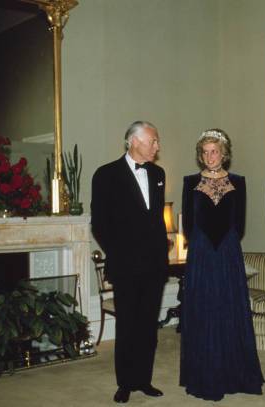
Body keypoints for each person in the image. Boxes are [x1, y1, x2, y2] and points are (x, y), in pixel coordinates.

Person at [179, 128, 264, 401]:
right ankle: (204, 375)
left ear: (224, 153)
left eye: (214, 151)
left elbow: (239, 225)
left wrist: (224, 246)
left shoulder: (238, 181)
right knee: (204, 309)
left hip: (228, 252)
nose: (209, 156)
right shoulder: (189, 181)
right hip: (201, 254)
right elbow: (188, 226)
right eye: (205, 152)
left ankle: (233, 373)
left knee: (228, 308)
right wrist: (202, 246)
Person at [90, 121, 168, 404]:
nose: (157, 146)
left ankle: (143, 380)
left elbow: (156, 219)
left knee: (149, 325)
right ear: (134, 141)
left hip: (154, 265)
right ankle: (125, 383)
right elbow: (99, 223)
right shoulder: (106, 175)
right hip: (125, 265)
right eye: (154, 141)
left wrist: (162, 251)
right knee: (127, 325)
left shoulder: (158, 173)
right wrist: (121, 253)